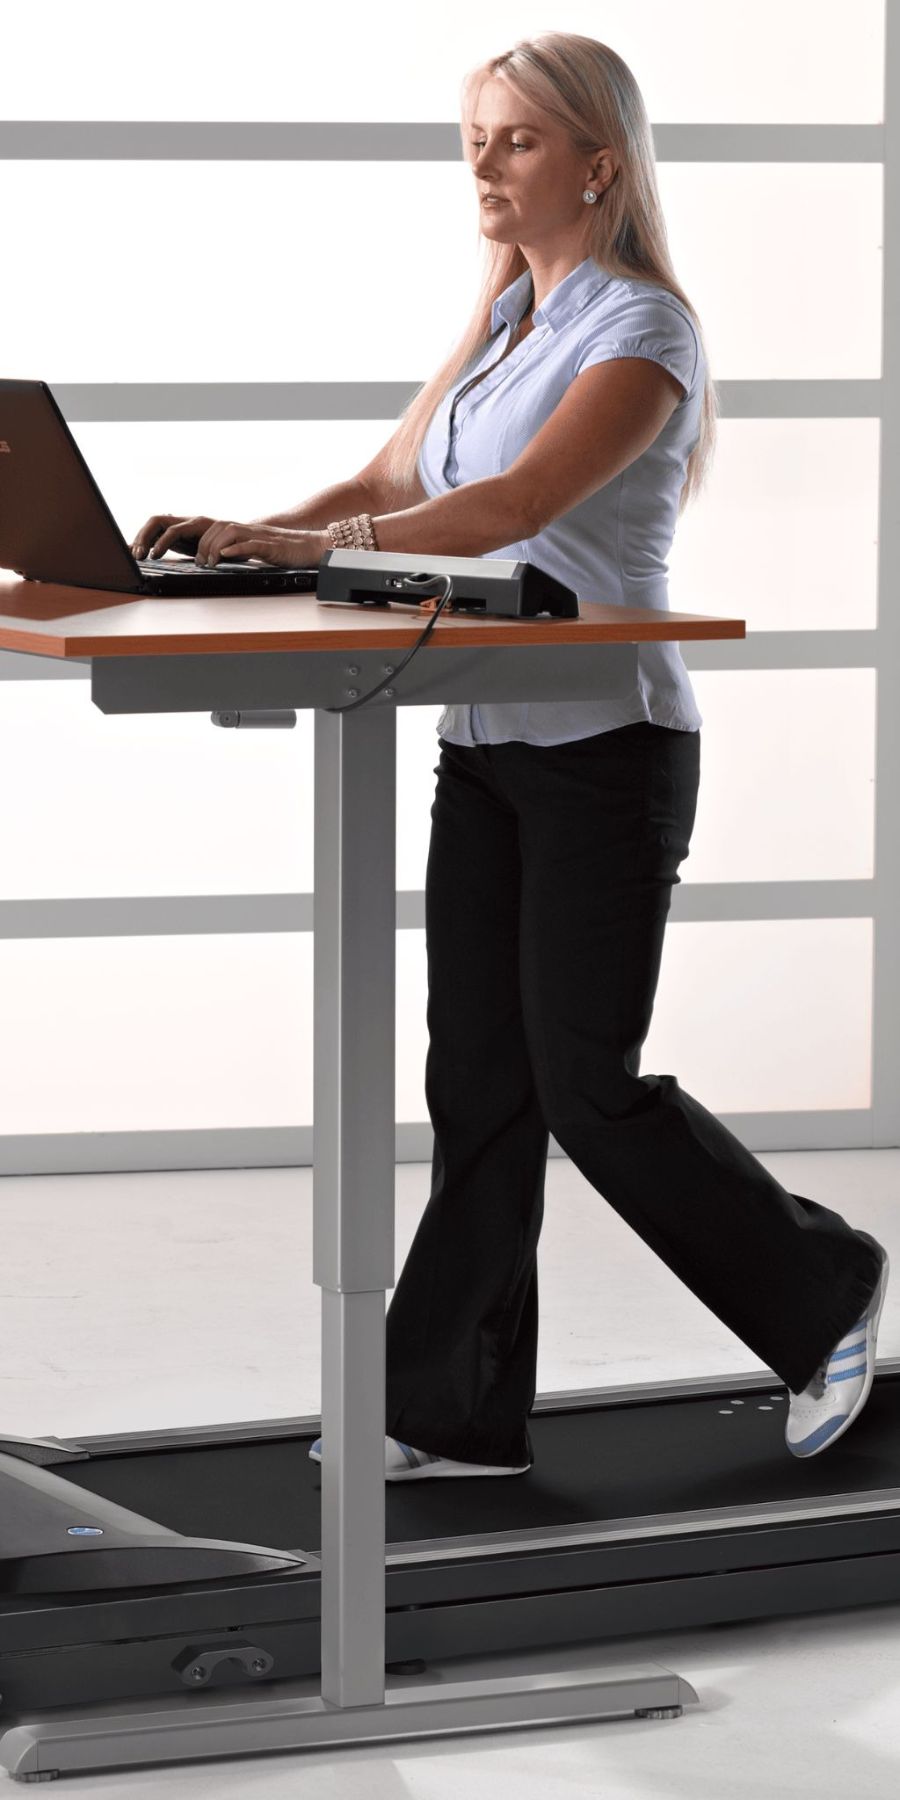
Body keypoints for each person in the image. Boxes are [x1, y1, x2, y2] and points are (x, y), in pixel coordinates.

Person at [131, 32, 889, 1483]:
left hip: (608, 744)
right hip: (485, 736)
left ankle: (824, 1286)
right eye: (475, 134)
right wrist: (242, 545)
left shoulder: (641, 331)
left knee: (585, 1082)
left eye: (519, 139)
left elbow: (509, 506)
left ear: (598, 164)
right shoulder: (502, 326)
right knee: (477, 1078)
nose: (482, 162)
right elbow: (385, 486)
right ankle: (452, 1410)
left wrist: (308, 550)